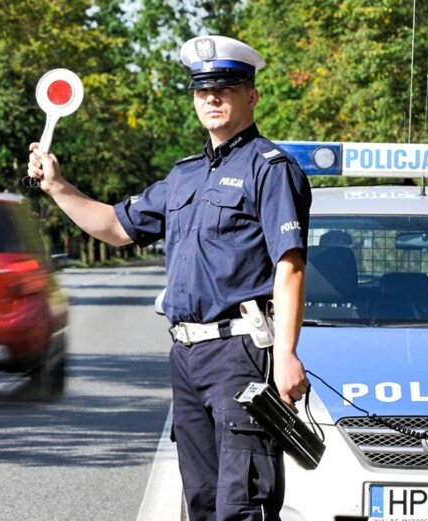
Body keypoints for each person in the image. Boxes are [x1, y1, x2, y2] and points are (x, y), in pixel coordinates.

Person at [27, 35, 312, 521]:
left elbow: (289, 265)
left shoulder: (271, 169)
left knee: (242, 505)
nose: (213, 98)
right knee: (200, 502)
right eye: (204, 90)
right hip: (186, 354)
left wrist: (284, 354)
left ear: (252, 95)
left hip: (240, 354)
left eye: (226, 87)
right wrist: (58, 187)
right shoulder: (183, 176)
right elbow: (115, 227)